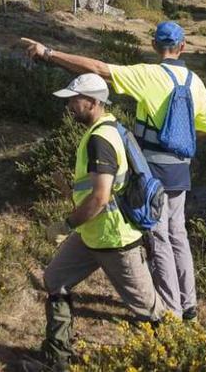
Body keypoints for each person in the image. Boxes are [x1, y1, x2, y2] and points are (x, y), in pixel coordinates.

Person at [22, 21, 206, 321]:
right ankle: (189, 302)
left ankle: (171, 311)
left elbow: (99, 69)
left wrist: (49, 53)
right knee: (179, 234)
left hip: (152, 174)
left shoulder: (150, 74)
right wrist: (177, 139)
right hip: (181, 172)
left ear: (154, 45)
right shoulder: (195, 81)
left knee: (159, 238)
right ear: (183, 47)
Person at [26, 73, 166, 371]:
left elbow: (101, 197)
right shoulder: (107, 129)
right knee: (55, 279)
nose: (69, 106)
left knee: (149, 310)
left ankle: (171, 357)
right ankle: (57, 360)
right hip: (93, 233)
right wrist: (69, 191)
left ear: (92, 102)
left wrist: (65, 225)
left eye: (73, 101)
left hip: (114, 239)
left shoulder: (101, 139)